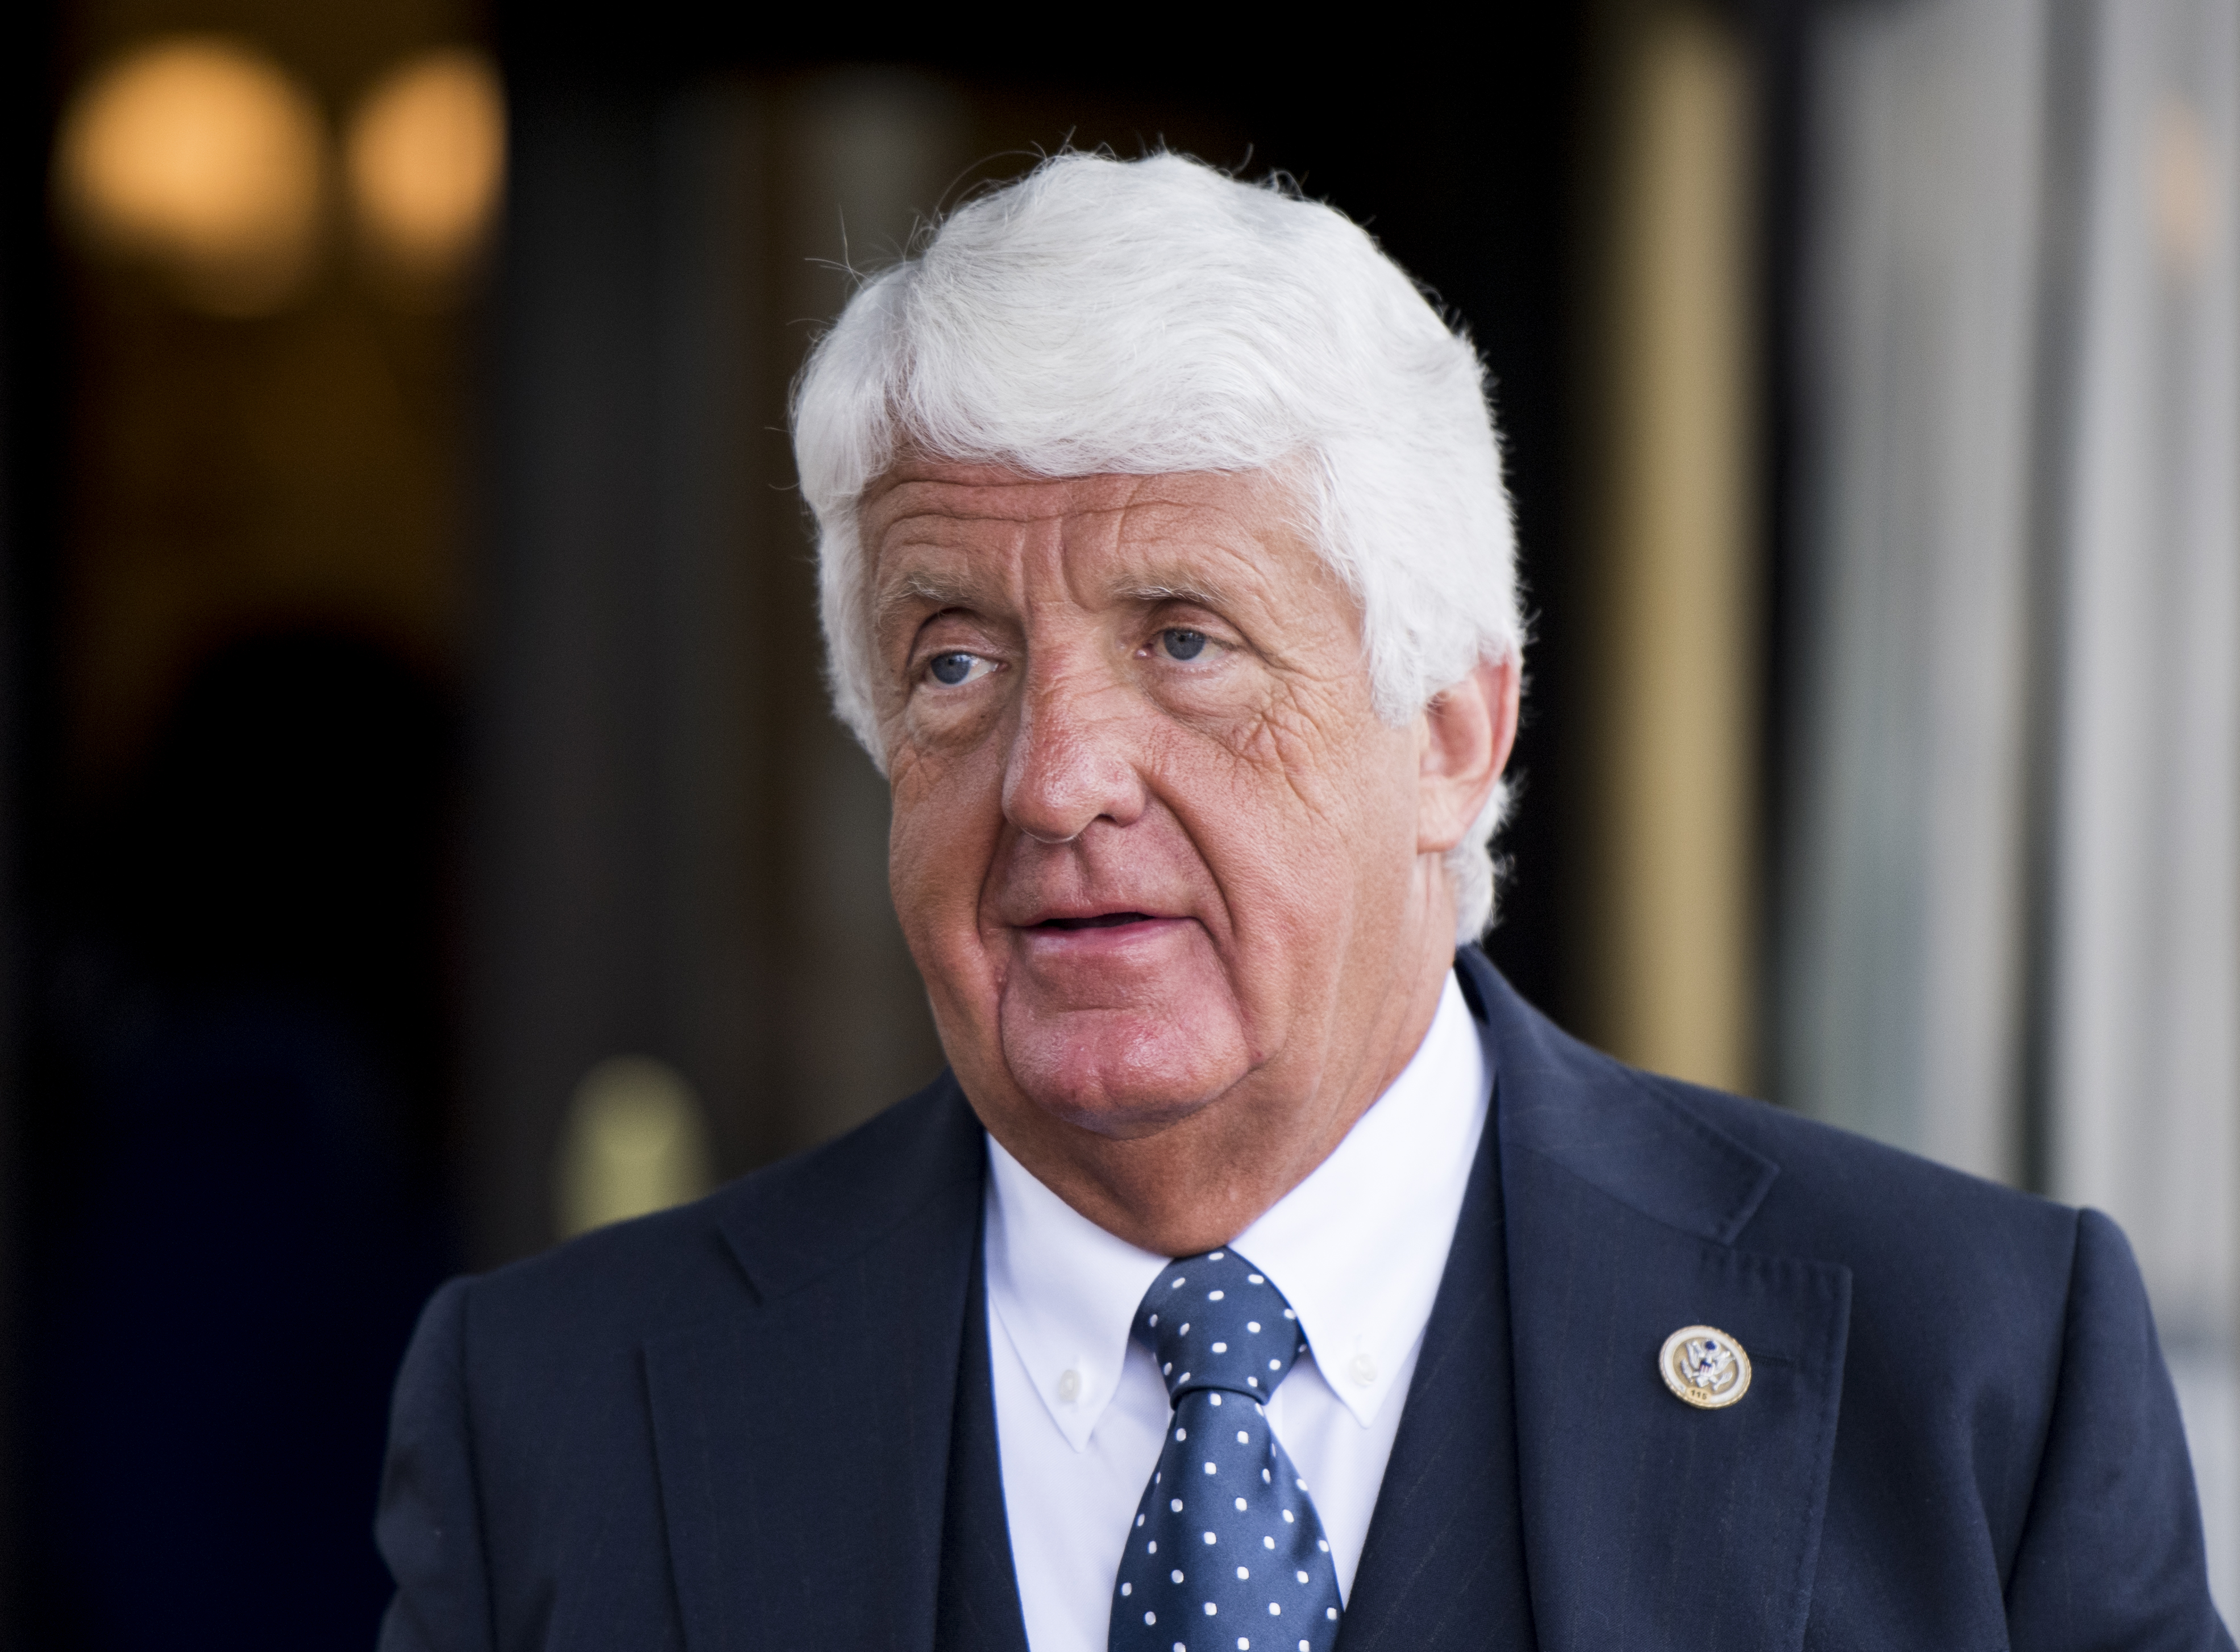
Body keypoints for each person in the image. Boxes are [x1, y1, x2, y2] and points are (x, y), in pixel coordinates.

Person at [375, 152, 2231, 1651]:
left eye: (1185, 640)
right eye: (954, 663)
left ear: (1448, 734)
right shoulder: (560, 1416)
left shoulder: (1977, 1376)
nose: (1053, 776)